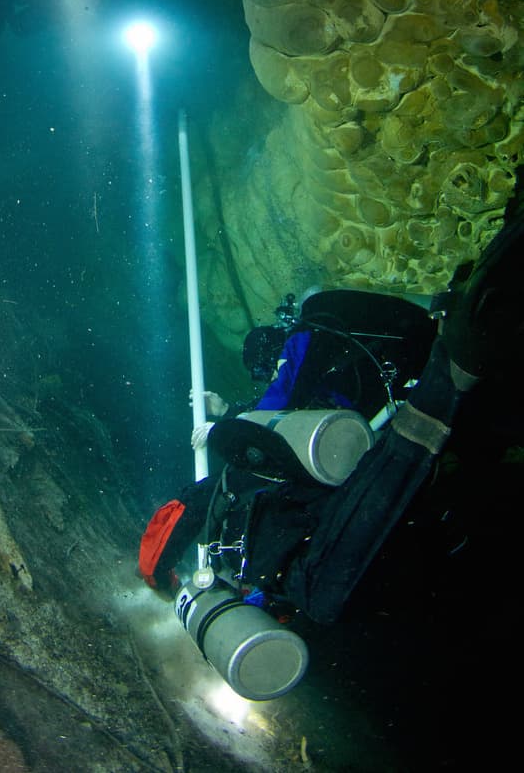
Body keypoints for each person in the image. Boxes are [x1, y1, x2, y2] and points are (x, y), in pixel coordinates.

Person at [138, 211, 523, 628]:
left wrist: (228, 428)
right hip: (417, 394)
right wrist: (229, 415)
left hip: (389, 434)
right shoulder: (345, 357)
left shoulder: (308, 333)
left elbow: (276, 404)